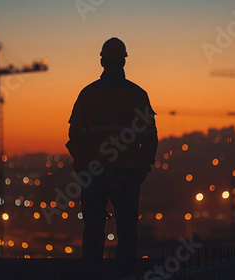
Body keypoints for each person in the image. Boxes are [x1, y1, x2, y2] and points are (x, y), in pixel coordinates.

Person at [66, 37, 158, 279]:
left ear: (102, 61)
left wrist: (83, 167)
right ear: (124, 61)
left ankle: (91, 275)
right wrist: (141, 170)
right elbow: (149, 138)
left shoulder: (87, 95)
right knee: (127, 233)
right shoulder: (138, 95)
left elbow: (75, 137)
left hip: (94, 174)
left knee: (93, 232)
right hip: (127, 174)